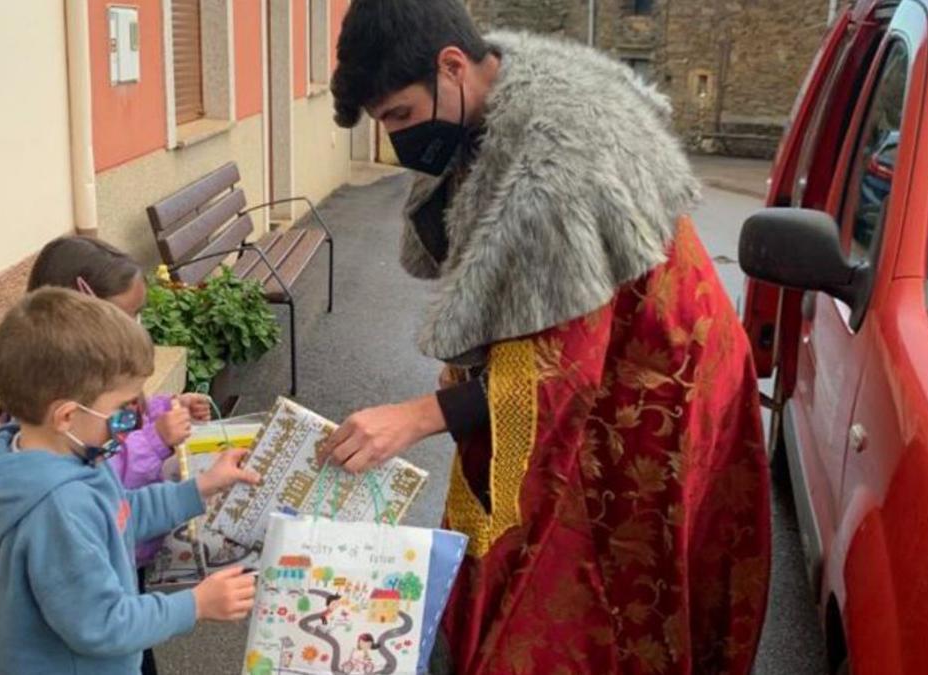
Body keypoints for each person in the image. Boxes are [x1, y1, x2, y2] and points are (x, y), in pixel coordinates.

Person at [321, 1, 771, 673]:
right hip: (610, 351)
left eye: (400, 118)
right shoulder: (486, 96)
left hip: (656, 383)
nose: (397, 142)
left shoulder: (559, 160)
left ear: (452, 66)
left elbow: (559, 371)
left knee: (617, 569)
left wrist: (415, 417)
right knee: (542, 542)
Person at [0, 288, 261, 675]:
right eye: (122, 409)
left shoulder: (67, 454)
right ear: (65, 417)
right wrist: (194, 604)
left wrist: (201, 487)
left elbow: (119, 512)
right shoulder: (57, 508)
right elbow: (103, 624)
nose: (135, 419)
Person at [25, 235, 213, 675]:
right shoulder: (59, 467)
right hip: (102, 591)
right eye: (128, 316)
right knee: (125, 641)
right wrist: (194, 605)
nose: (137, 328)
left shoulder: (92, 384)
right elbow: (109, 480)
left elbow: (120, 449)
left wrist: (169, 409)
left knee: (134, 649)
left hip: (123, 557)